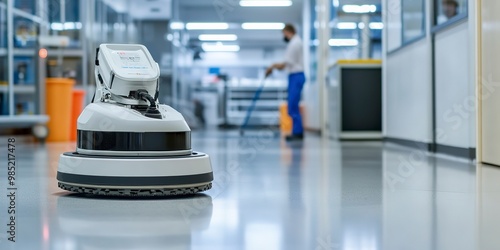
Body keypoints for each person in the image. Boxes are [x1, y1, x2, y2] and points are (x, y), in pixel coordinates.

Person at [266, 24, 306, 141]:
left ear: (289, 32)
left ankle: (297, 132)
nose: (284, 36)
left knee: (293, 105)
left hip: (296, 75)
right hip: (295, 75)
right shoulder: (295, 42)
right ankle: (296, 131)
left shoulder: (295, 43)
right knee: (293, 105)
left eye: (284, 34)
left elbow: (285, 64)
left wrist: (272, 66)